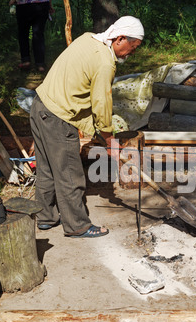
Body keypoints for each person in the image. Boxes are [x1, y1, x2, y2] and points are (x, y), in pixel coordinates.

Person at [29, 16, 144, 238]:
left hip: (40, 105)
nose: (132, 53)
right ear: (120, 39)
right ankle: (77, 225)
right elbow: (102, 104)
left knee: (46, 169)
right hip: (58, 117)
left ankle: (46, 217)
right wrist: (110, 141)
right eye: (133, 46)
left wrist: (98, 131)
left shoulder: (87, 39)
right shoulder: (104, 62)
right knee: (70, 173)